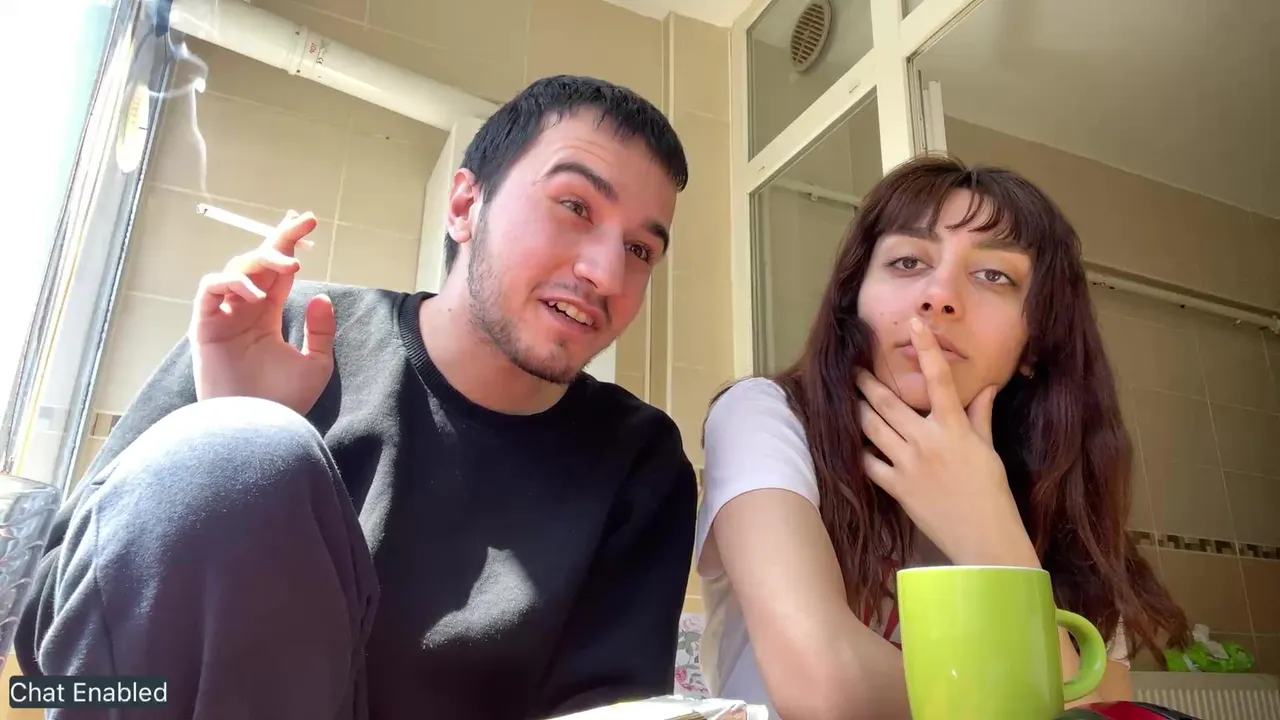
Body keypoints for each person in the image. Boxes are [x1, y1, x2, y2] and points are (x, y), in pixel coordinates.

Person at [16, 75, 698, 720]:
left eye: (641, 250)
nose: (607, 273)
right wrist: (232, 455)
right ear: (465, 206)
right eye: (575, 207)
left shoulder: (638, 462)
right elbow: (47, 654)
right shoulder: (276, 332)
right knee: (239, 451)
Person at [694, 156, 1190, 719]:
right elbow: (826, 687)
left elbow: (1099, 711)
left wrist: (990, 531)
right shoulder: (767, 415)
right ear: (854, 303)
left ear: (1034, 344)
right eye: (907, 261)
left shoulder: (1059, 493)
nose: (938, 295)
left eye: (994, 275)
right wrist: (1030, 696)